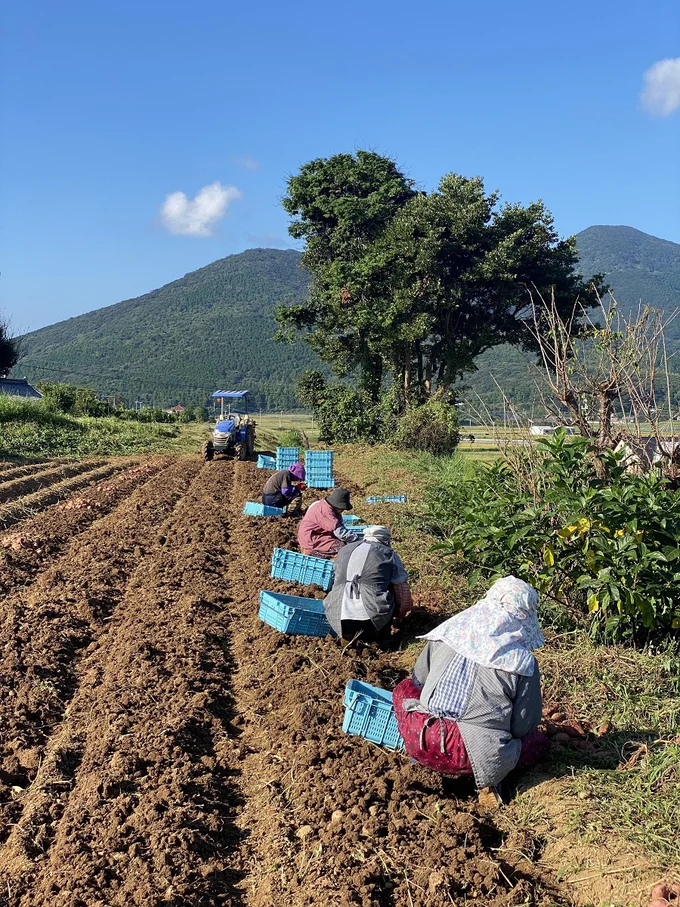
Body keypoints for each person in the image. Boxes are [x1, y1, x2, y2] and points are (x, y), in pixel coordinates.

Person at [392, 576, 549, 808]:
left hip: (423, 737)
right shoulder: (522, 663)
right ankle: (489, 784)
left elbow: (419, 679)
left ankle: (419, 761)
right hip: (474, 754)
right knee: (538, 743)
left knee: (404, 689)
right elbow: (522, 727)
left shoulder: (449, 632)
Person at [324, 525, 413, 642]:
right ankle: (382, 639)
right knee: (393, 584)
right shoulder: (388, 553)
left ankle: (348, 636)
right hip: (372, 618)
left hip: (336, 614)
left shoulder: (344, 550)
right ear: (386, 540)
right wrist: (401, 614)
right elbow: (402, 587)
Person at [297, 487, 361, 556]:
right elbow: (339, 532)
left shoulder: (326, 505)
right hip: (311, 537)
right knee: (341, 547)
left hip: (318, 533)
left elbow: (340, 526)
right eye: (342, 508)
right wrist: (357, 540)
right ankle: (311, 552)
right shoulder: (326, 511)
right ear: (337, 505)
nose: (343, 510)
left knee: (342, 542)